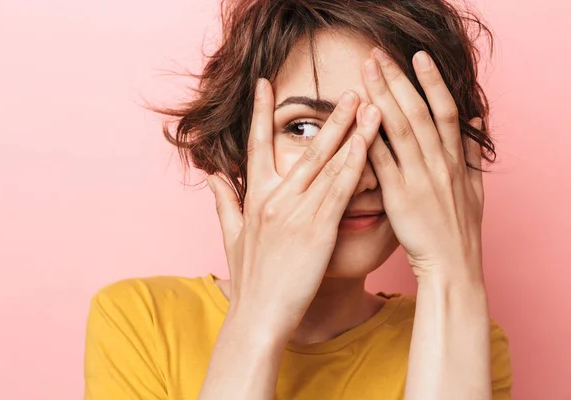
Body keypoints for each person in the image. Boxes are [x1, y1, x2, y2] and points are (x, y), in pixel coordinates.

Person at [83, 0, 513, 399]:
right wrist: (257, 319)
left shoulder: (466, 333)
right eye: (304, 128)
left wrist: (451, 271)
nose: (358, 175)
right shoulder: (141, 320)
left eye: (392, 130)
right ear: (238, 150)